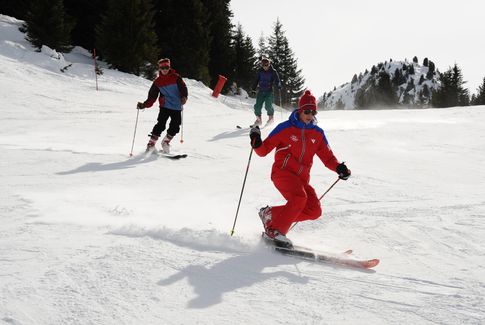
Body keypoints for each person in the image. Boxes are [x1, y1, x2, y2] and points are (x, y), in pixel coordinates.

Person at [249, 90, 351, 248]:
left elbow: (327, 157)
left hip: (301, 179)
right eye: (307, 111)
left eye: (313, 111)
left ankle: (270, 215)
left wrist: (339, 167)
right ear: (300, 110)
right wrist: (256, 142)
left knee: (314, 210)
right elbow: (263, 151)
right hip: (282, 173)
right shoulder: (285, 128)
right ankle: (275, 231)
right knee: (299, 198)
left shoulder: (317, 133)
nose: (310, 115)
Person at [137, 58, 188, 154]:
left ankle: (165, 142)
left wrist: (184, 97)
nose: (165, 69)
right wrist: (144, 105)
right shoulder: (157, 82)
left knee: (175, 126)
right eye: (162, 67)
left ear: (169, 67)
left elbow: (183, 88)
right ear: (159, 68)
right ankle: (151, 144)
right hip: (165, 106)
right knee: (160, 124)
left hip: (176, 106)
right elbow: (152, 96)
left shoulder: (176, 77)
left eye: (167, 67)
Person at [251, 57, 281, 127]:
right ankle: (258, 120)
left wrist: (279, 85)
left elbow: (277, 80)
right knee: (257, 106)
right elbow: (256, 80)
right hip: (261, 91)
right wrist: (253, 89)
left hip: (269, 91)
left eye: (266, 65)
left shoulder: (273, 71)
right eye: (263, 65)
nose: (265, 67)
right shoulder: (259, 71)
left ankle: (271, 119)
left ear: (269, 64)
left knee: (268, 106)